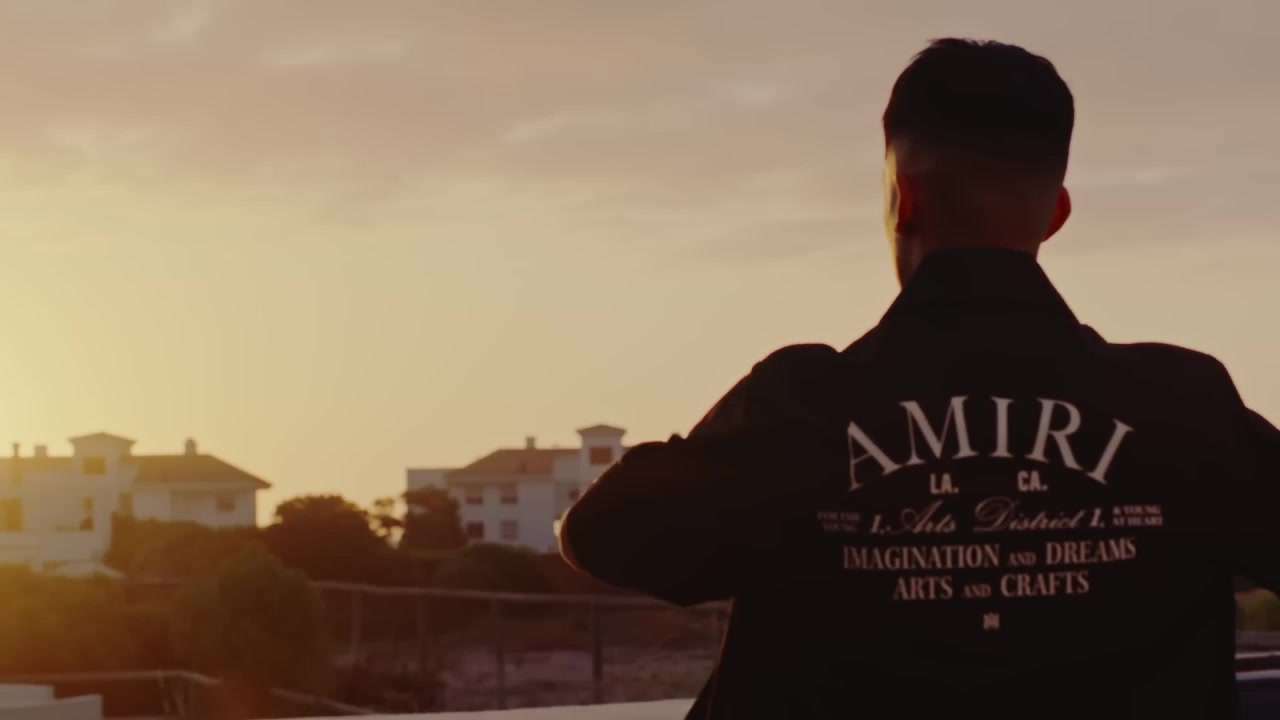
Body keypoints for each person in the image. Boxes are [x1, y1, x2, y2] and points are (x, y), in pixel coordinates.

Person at [558, 38, 1280, 719]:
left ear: (904, 198)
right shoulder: (1187, 407)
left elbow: (599, 533)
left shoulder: (800, 407)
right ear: (1056, 215)